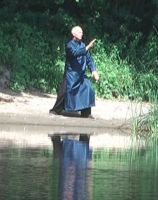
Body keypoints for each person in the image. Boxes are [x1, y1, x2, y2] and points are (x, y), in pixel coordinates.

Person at [49, 25, 99, 118]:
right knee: (64, 93)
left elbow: (89, 59)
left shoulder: (83, 45)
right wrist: (87, 47)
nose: (82, 34)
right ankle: (56, 110)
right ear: (74, 34)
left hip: (81, 75)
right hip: (71, 75)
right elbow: (76, 53)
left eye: (82, 32)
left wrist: (93, 70)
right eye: (79, 32)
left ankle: (86, 113)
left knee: (88, 88)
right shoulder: (69, 45)